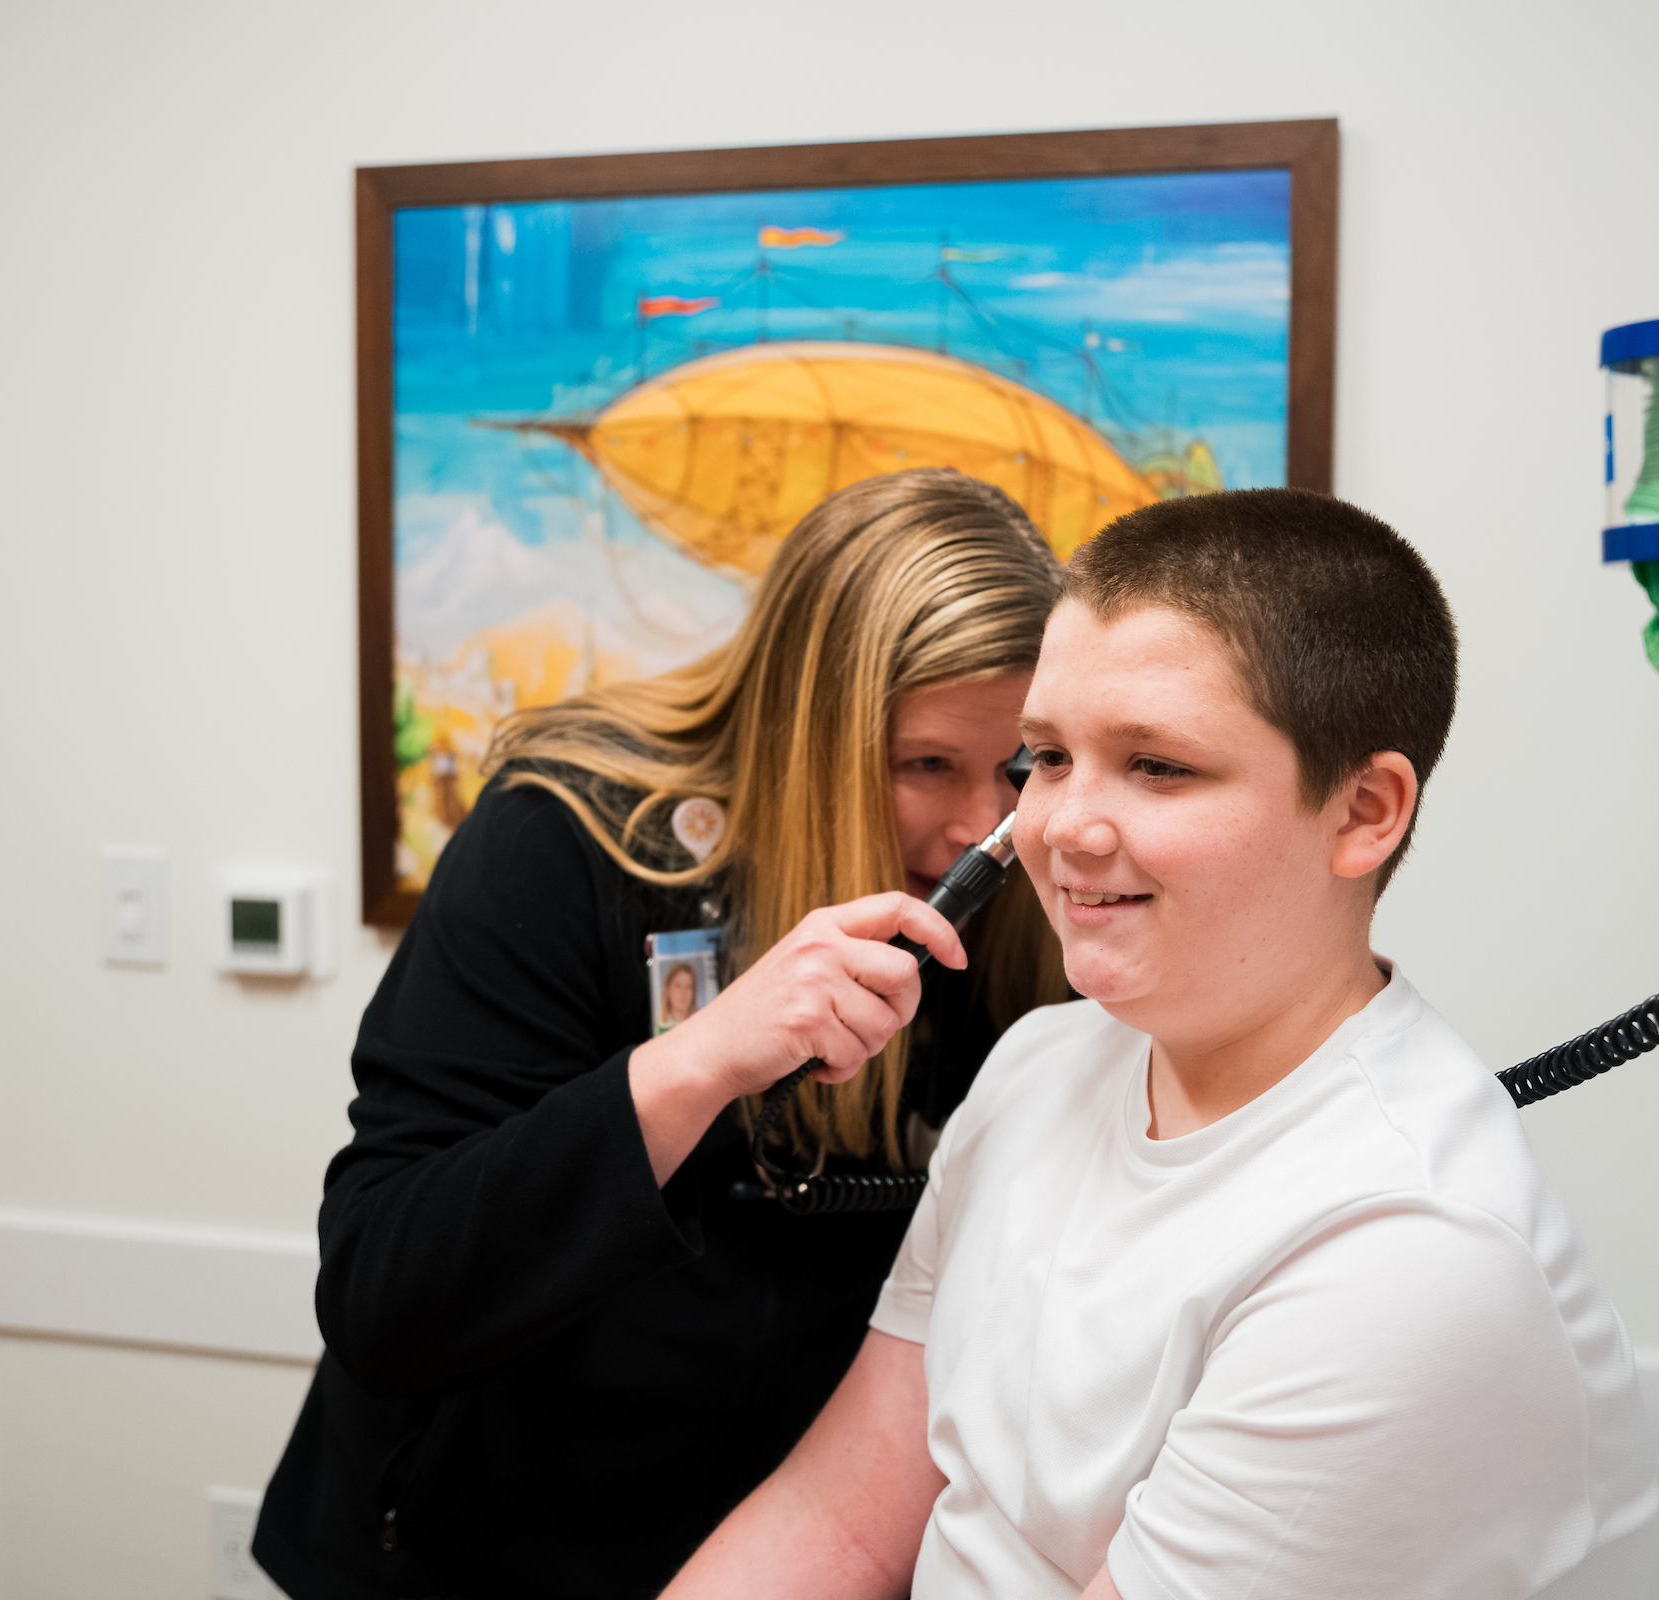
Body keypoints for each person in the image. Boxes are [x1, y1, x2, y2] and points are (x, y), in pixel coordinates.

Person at [665, 489, 1655, 1600]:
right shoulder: (1043, 1063)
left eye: (1159, 766)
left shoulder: (1405, 1260)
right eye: (1045, 758)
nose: (1064, 827)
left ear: (1364, 811)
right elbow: (841, 1520)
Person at [255, 470, 1071, 1600]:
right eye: (924, 764)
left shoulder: (1026, 897)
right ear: (811, 734)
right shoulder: (571, 838)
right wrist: (699, 1063)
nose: (980, 827)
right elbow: (387, 1294)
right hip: (466, 1551)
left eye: (1019, 772)